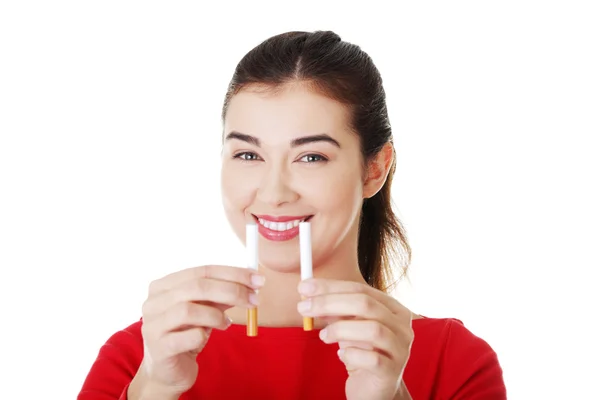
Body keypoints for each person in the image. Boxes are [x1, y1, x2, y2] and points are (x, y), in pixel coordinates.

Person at [78, 30, 506, 400]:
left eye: (311, 157)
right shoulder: (141, 355)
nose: (274, 192)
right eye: (248, 153)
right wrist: (153, 388)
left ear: (374, 168)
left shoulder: (454, 361)